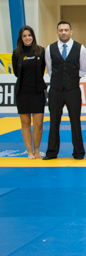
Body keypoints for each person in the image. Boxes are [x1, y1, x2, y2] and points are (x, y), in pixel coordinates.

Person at [44, 21, 86, 160]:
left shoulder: (80, 48)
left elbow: (82, 70)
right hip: (55, 90)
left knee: (75, 121)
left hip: (73, 90)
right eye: (61, 30)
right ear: (57, 32)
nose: (63, 32)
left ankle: (79, 152)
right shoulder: (49, 49)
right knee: (54, 121)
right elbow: (50, 70)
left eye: (66, 30)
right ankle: (51, 152)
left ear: (71, 31)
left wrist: (70, 81)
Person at [12, 26, 46, 159]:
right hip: (22, 92)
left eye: (30, 35)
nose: (27, 38)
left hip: (37, 92)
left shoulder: (40, 51)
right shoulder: (16, 53)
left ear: (33, 36)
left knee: (38, 124)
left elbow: (43, 68)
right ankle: (30, 151)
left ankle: (37, 150)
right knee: (25, 123)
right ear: (21, 38)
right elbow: (16, 72)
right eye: (25, 36)